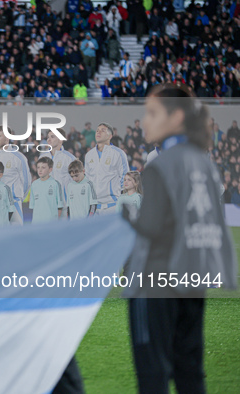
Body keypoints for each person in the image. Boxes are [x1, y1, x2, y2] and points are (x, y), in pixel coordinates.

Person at [124, 84, 237, 394]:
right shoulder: (204, 162)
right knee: (191, 375)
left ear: (175, 117)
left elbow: (149, 227)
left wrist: (123, 221)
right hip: (192, 280)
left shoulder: (161, 164)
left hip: (154, 282)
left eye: (152, 113)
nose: (145, 121)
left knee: (153, 377)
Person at [0, 126, 31, 225]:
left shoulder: (19, 157)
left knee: (16, 236)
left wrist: (18, 197)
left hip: (14, 202)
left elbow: (27, 181)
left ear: (7, 138)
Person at [84, 123, 129, 214]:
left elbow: (125, 177)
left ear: (110, 136)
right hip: (94, 207)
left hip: (112, 205)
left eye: (102, 130)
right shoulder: (89, 155)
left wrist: (116, 195)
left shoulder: (118, 154)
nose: (98, 132)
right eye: (97, 130)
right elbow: (87, 179)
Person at [39, 128, 75, 211]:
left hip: (64, 206)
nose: (49, 139)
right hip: (46, 204)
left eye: (52, 137)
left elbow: (76, 182)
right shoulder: (42, 157)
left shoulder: (69, 158)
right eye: (48, 137)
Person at [30, 157, 63, 223]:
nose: (40, 170)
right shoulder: (34, 184)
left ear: (50, 169)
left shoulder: (55, 184)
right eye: (38, 167)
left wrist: (56, 222)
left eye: (43, 167)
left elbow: (60, 206)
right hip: (36, 224)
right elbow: (33, 206)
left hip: (51, 223)